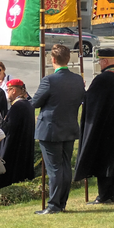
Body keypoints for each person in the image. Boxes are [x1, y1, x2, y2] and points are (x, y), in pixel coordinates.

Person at [28, 45, 85, 214]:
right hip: (69, 126)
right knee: (65, 167)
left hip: (50, 129)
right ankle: (61, 202)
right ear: (68, 58)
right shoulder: (77, 79)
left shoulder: (49, 80)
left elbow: (35, 102)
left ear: (52, 59)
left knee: (54, 169)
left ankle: (54, 205)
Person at [73, 48, 114, 204]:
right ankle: (109, 194)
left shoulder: (102, 79)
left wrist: (83, 91)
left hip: (104, 126)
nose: (99, 63)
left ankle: (104, 195)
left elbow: (91, 100)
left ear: (104, 61)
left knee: (103, 162)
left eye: (100, 61)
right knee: (112, 161)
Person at [0, 79, 38, 188]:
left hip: (14, 147)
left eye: (8, 90)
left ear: (13, 90)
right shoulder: (27, 104)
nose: (7, 93)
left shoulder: (17, 107)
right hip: (24, 144)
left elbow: (7, 128)